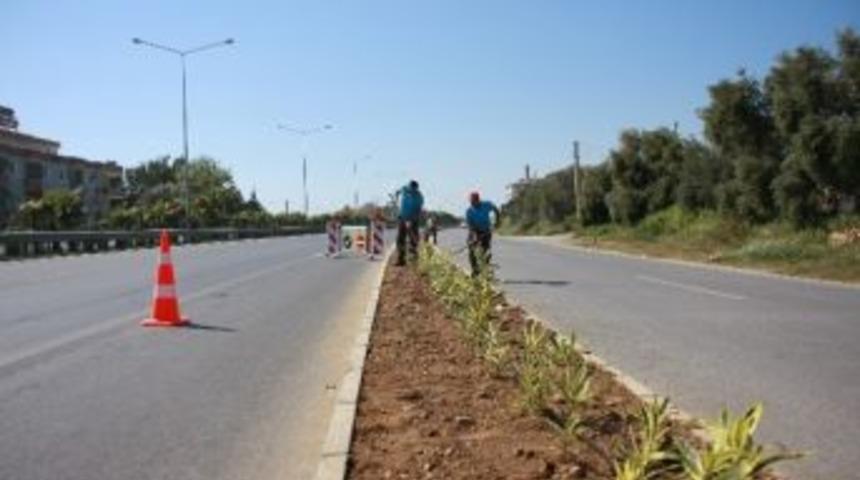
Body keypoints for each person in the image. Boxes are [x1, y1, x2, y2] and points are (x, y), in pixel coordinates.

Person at [465, 191, 500, 276]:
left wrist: (497, 221)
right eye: (471, 202)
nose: (472, 203)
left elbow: (495, 209)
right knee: (471, 250)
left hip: (486, 230)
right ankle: (475, 270)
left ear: (478, 200)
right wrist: (475, 237)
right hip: (474, 230)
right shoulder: (469, 211)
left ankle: (485, 269)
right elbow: (471, 226)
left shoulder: (486, 205)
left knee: (485, 250)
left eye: (474, 201)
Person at [395, 180, 424, 265]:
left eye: (411, 189)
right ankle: (401, 260)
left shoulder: (418, 197)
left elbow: (418, 211)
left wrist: (410, 221)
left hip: (413, 220)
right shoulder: (405, 189)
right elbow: (399, 191)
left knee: (413, 239)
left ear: (416, 189)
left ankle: (413, 260)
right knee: (400, 239)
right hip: (402, 218)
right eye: (409, 188)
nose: (409, 190)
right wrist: (397, 195)